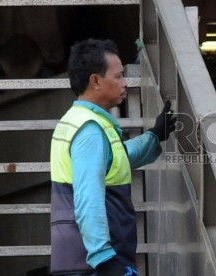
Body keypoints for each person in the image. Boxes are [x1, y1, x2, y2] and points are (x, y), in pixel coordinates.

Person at [50, 38, 176, 276]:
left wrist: (154, 136)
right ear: (96, 81)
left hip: (79, 261)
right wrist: (105, 260)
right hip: (92, 266)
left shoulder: (76, 121)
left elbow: (115, 161)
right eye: (118, 77)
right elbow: (88, 197)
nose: (124, 82)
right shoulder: (90, 130)